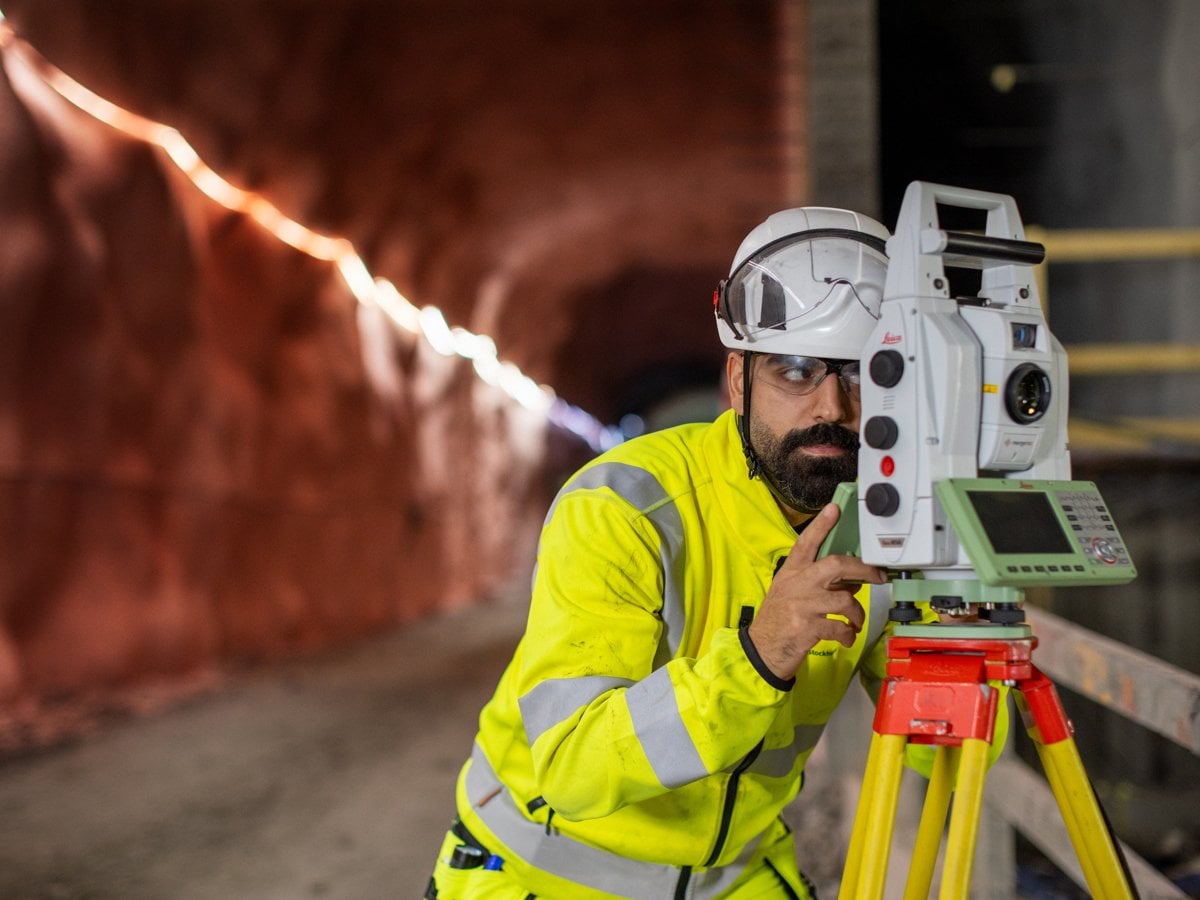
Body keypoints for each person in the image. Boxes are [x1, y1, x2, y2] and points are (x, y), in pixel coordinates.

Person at [426, 207, 931, 899]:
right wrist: (757, 658)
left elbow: (946, 748)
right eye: (794, 371)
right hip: (544, 873)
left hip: (729, 875)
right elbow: (572, 769)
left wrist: (968, 615)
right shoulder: (623, 506)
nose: (832, 408)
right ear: (738, 380)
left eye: (864, 374)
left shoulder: (889, 521)